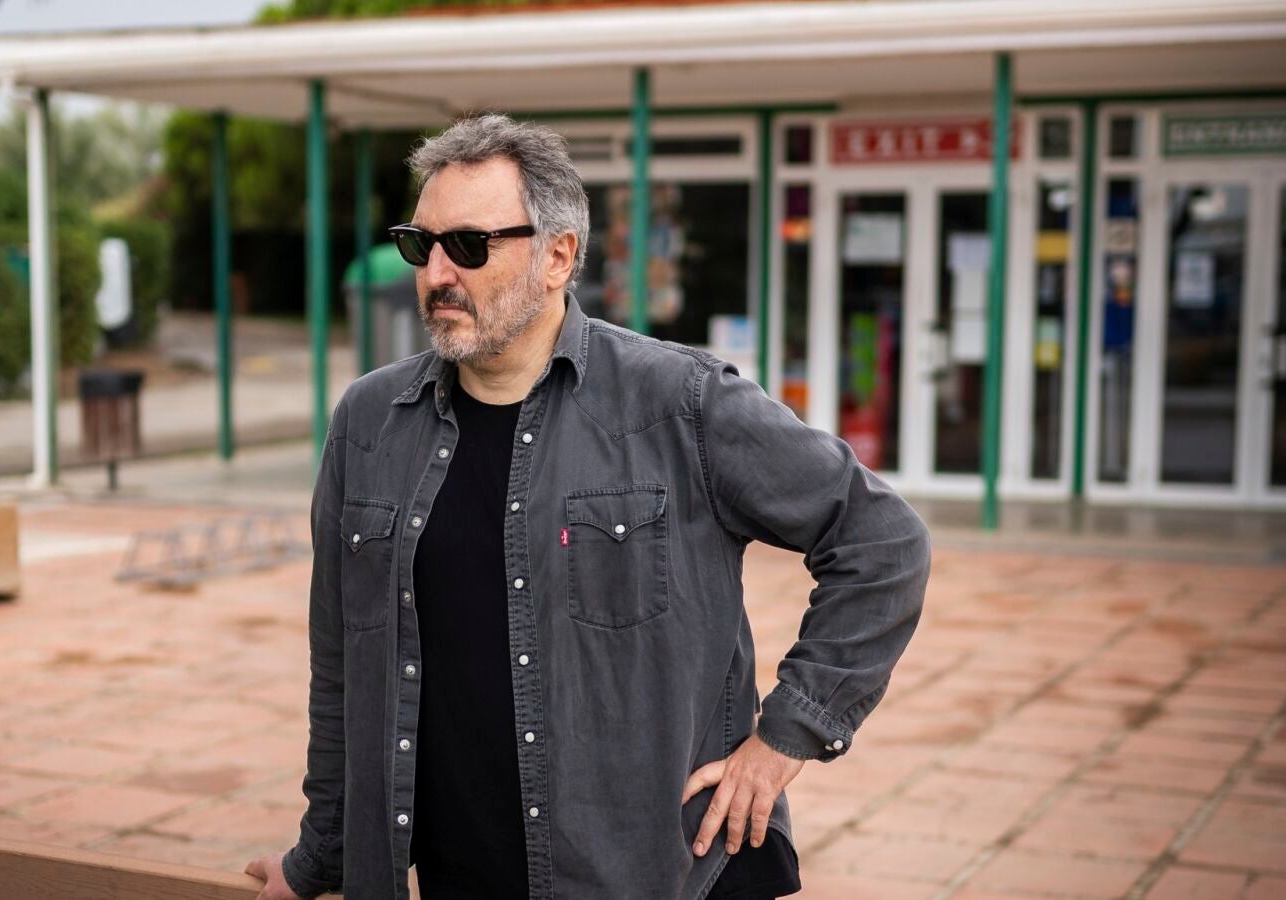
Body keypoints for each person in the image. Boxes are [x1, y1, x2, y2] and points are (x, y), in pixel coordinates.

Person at [245, 113, 931, 900]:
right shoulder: (369, 424)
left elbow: (882, 541)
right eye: (420, 244)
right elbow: (341, 669)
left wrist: (785, 739)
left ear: (558, 256)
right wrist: (318, 858)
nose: (436, 274)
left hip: (667, 875)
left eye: (467, 246)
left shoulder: (681, 402)